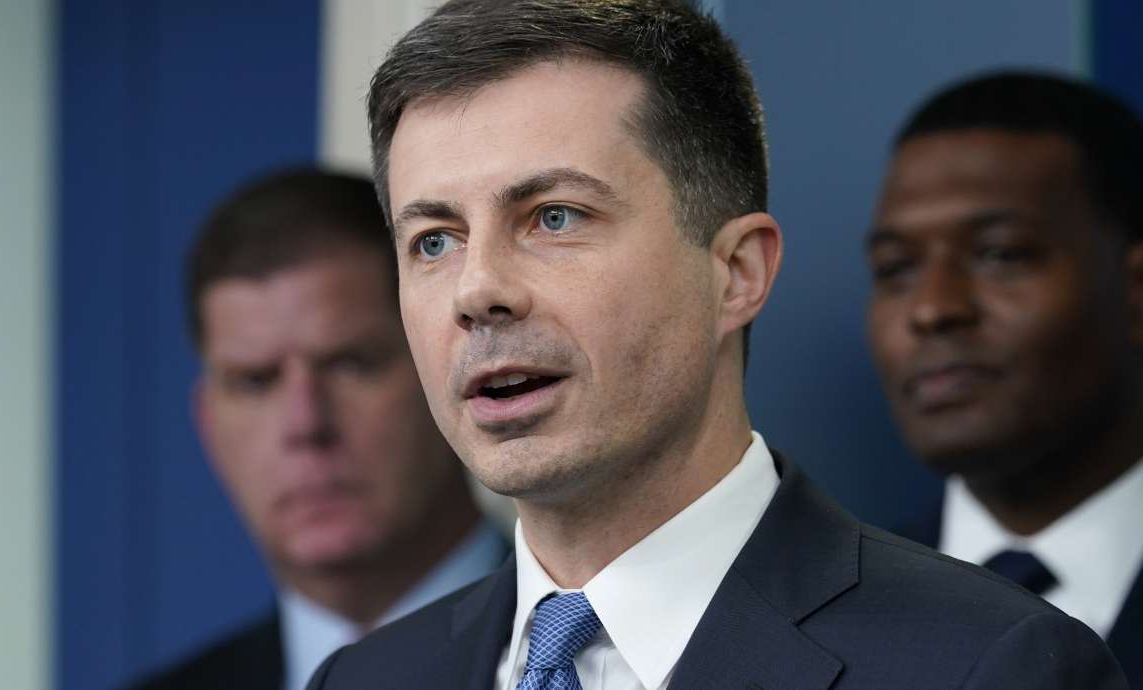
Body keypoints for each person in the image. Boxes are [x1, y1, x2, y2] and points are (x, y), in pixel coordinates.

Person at [309, 2, 1128, 687]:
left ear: (736, 272)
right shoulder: (362, 680)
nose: (476, 289)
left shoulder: (990, 667)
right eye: (434, 240)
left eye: (554, 217)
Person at [128, 168, 508, 690]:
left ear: (451, 376)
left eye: (352, 364)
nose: (306, 424)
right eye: (256, 382)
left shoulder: (601, 651)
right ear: (208, 426)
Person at [867, 71, 1143, 686]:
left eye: (1000, 254)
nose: (932, 308)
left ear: (1135, 288)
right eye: (895, 268)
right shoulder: (804, 614)